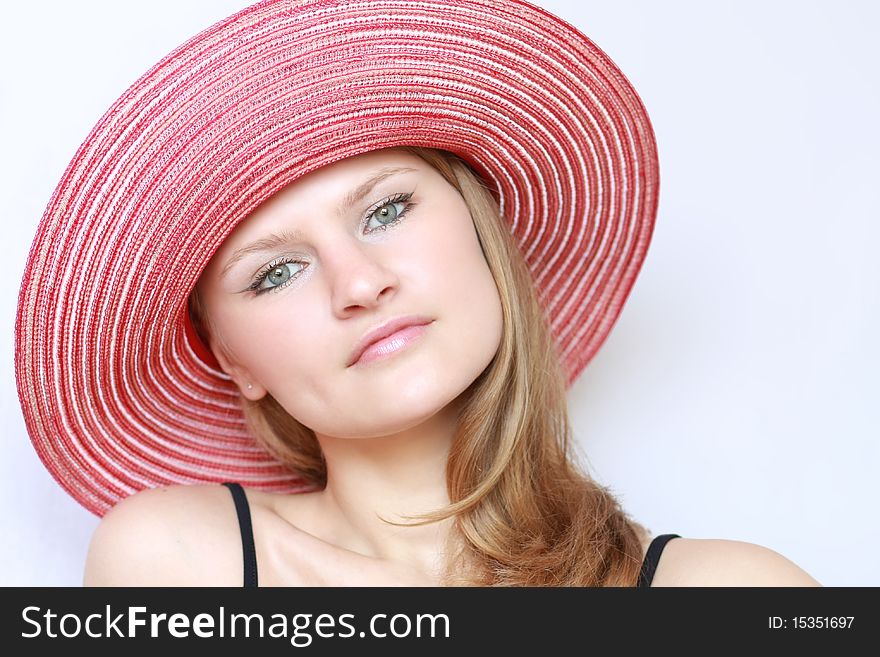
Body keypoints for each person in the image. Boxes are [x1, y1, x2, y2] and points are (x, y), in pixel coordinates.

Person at [15, 0, 818, 587]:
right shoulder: (182, 561)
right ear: (232, 359)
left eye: (387, 210)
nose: (359, 283)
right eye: (275, 272)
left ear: (482, 231)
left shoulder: (737, 594)